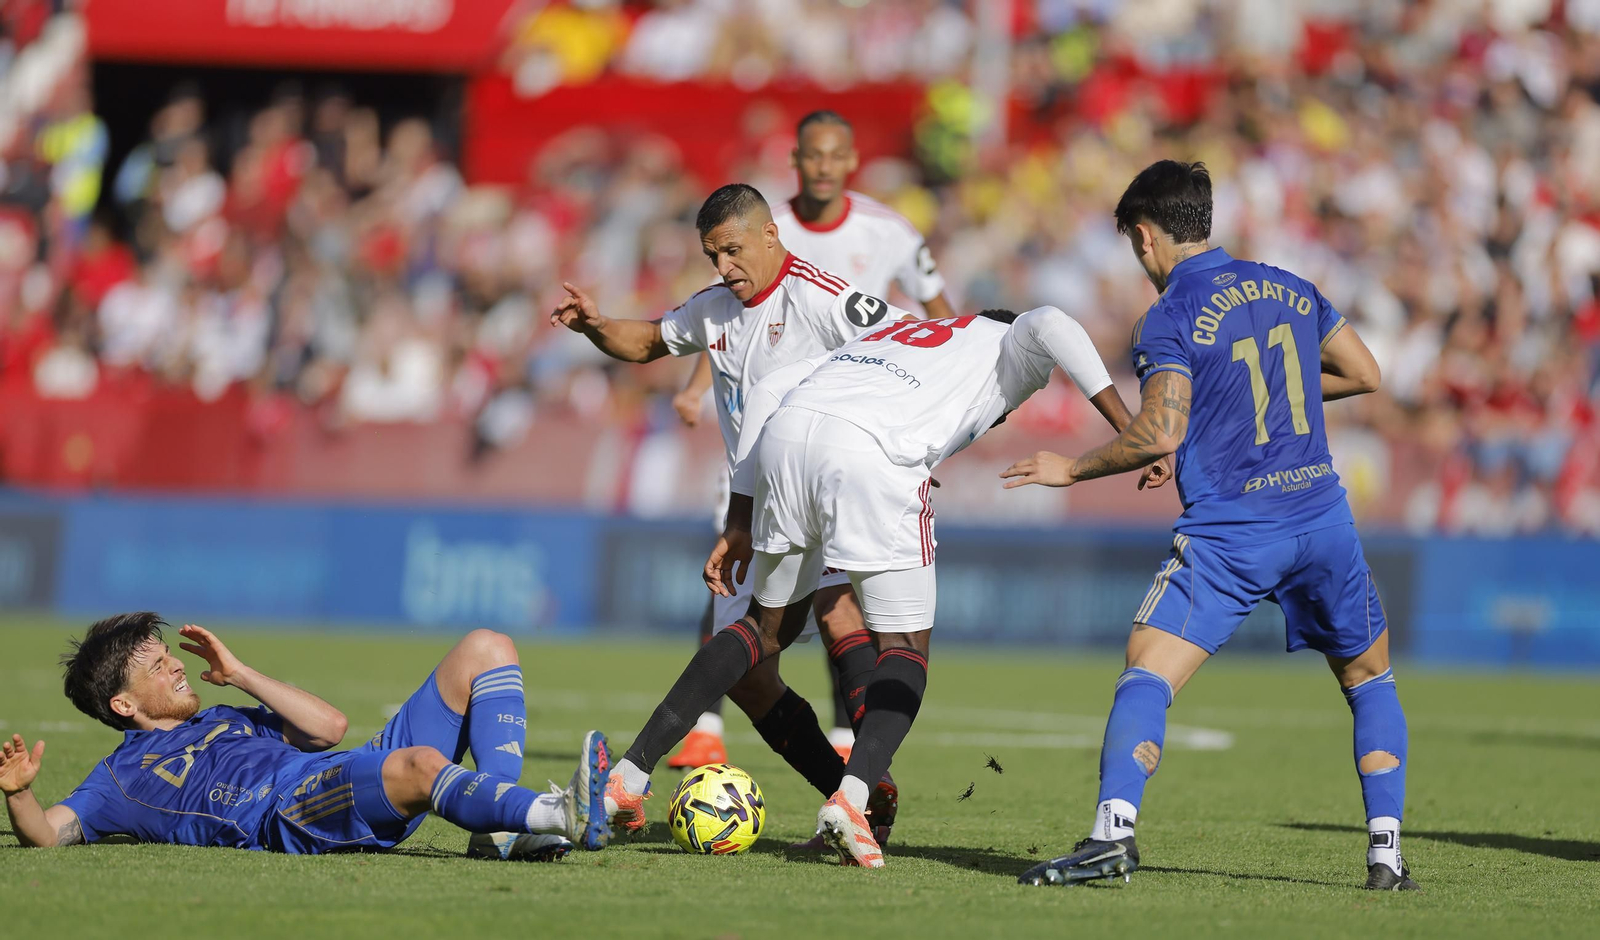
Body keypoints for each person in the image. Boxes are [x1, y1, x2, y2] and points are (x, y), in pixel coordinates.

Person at [607, 303, 1164, 867]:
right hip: (873, 457)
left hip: (790, 436)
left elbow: (773, 385)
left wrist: (740, 518)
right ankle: (852, 801)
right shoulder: (1010, 341)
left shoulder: (898, 332)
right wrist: (1132, 428)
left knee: (763, 630)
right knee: (903, 648)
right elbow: (1050, 322)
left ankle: (628, 774)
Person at [1007, 161, 1411, 890]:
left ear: (1143, 236)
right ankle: (1386, 854)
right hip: (1321, 518)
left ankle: (1111, 836)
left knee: (1147, 670)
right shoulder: (1291, 286)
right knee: (1368, 678)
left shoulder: (1166, 317)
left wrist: (1072, 468)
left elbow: (1158, 434)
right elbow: (1366, 373)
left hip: (1234, 534)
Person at [551, 183, 908, 837]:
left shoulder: (825, 299)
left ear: (770, 235)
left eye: (733, 251)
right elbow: (649, 340)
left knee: (826, 615)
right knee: (750, 671)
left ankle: (628, 781)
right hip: (759, 501)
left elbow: (908, 347)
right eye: (713, 255)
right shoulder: (715, 310)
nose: (724, 268)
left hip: (826, 490)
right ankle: (858, 790)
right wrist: (599, 326)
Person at [668, 109, 953, 769]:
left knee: (834, 601)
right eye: (811, 157)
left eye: (835, 156)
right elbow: (725, 315)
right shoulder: (764, 226)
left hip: (848, 434)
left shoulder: (890, 232)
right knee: (738, 577)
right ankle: (711, 727)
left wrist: (943, 390)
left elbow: (938, 312)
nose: (822, 167)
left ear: (851, 160)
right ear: (796, 161)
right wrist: (691, 385)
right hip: (761, 439)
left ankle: (852, 752)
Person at [1, 613, 610, 859]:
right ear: (123, 703)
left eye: (170, 655)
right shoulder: (118, 779)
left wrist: (239, 675)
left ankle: (501, 825)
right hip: (290, 813)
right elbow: (47, 835)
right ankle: (558, 813)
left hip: (340, 770)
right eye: (158, 666)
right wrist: (19, 794)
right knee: (421, 764)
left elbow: (330, 728)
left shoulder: (222, 717)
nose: (177, 666)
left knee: (486, 647)